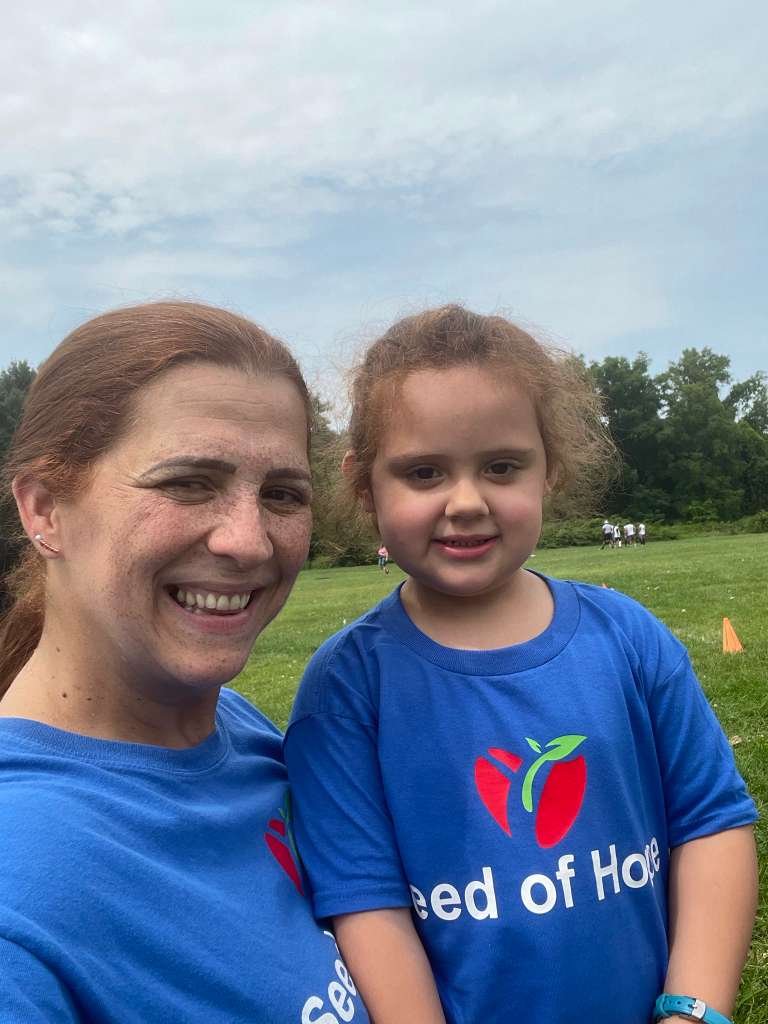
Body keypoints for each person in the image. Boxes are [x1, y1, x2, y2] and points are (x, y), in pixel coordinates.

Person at [284, 306, 758, 1024]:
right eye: (424, 472)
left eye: (501, 467)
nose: (466, 501)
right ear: (362, 485)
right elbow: (367, 907)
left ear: (550, 468)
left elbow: (711, 824)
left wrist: (691, 1012)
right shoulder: (346, 689)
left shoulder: (630, 638)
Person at [0, 302, 370, 1024]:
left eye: (283, 495)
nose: (249, 540)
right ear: (44, 509)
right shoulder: (23, 889)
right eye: (188, 482)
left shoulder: (239, 731)